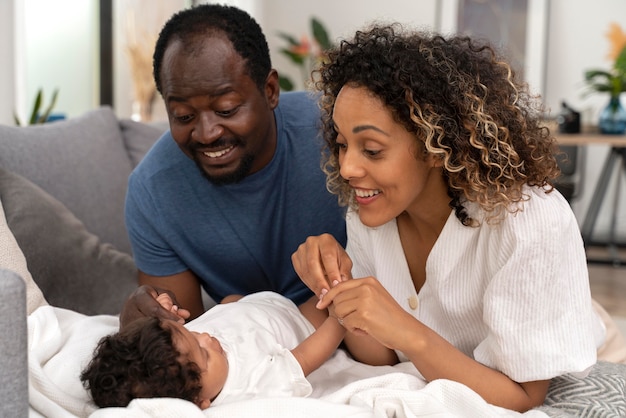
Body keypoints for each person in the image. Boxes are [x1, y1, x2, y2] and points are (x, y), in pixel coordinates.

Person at [291, 24, 606, 413]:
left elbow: (522, 398)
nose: (348, 167)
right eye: (341, 144)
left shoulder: (528, 223)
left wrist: (410, 334)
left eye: (371, 149)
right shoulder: (370, 212)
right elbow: (382, 358)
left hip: (555, 328)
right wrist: (339, 289)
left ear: (436, 144)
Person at [120, 4, 346, 327]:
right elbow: (190, 337)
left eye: (226, 109)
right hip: (257, 343)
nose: (207, 133)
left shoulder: (338, 132)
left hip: (357, 331)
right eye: (184, 116)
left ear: (270, 91)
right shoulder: (152, 193)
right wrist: (148, 323)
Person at [81, 291, 344, 409]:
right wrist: (340, 318)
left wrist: (166, 308)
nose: (206, 337)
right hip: (298, 318)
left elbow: (189, 330)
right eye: (204, 354)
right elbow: (305, 357)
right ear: (199, 402)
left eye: (191, 332)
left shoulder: (182, 349)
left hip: (246, 305)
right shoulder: (250, 387)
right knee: (322, 304)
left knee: (229, 301)